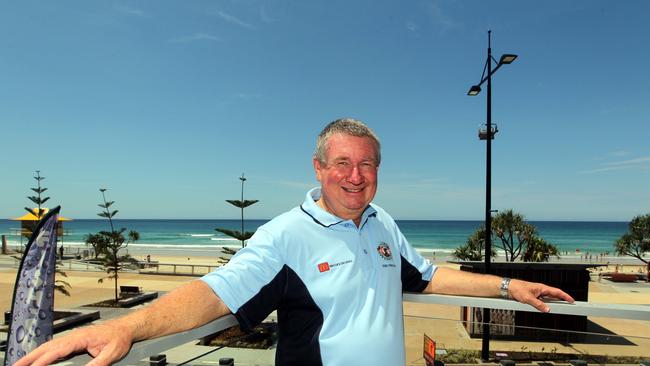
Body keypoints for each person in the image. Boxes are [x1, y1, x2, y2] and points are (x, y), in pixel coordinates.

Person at [15, 118, 574, 366]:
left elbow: (427, 275)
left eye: (367, 165)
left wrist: (508, 285)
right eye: (342, 164)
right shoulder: (285, 235)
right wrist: (125, 326)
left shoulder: (381, 223)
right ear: (318, 167)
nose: (355, 176)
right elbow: (215, 294)